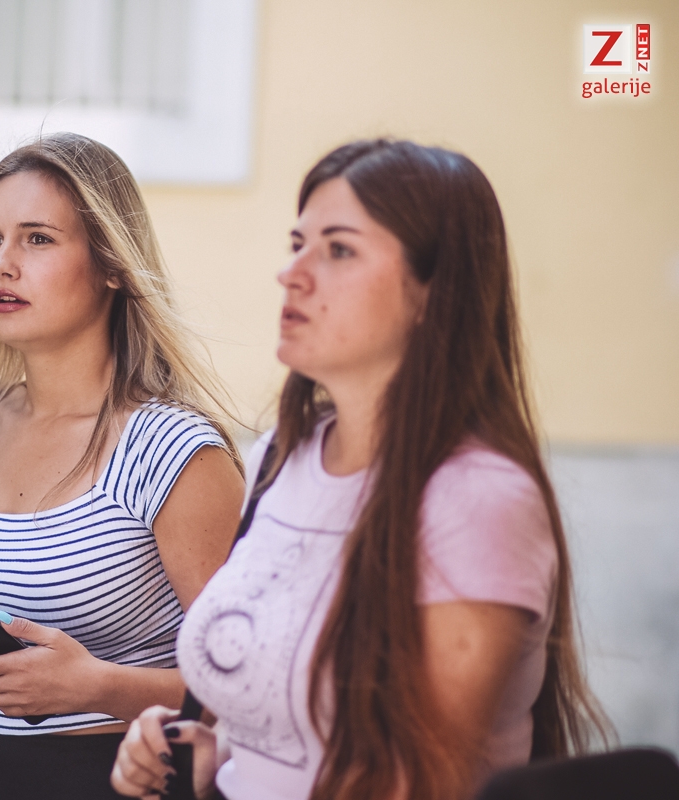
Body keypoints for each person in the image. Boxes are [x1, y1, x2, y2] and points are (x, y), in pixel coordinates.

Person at [111, 139, 608, 800]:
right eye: (297, 244)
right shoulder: (278, 459)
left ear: (434, 293)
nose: (292, 273)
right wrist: (216, 756)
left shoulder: (479, 499)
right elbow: (294, 733)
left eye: (339, 250)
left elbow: (422, 780)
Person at [0, 132, 246, 800]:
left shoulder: (170, 450)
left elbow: (255, 685)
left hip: (119, 779)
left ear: (112, 266)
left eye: (37, 239)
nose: (2, 264)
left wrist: (98, 686)